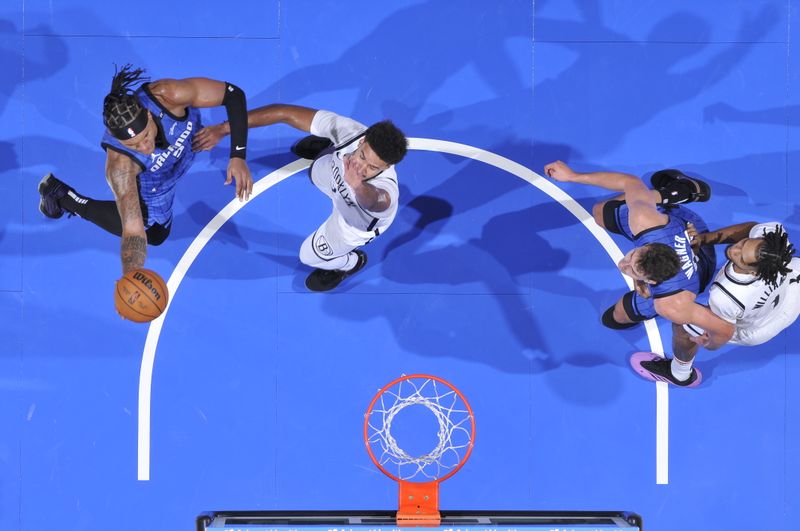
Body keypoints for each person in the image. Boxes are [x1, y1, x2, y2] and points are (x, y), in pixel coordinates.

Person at [37, 64, 253, 274]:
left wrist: (238, 155)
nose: (145, 148)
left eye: (146, 136)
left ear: (149, 116)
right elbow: (133, 230)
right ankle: (64, 197)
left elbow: (233, 94)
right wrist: (131, 275)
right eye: (134, 145)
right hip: (155, 183)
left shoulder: (168, 95)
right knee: (157, 235)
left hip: (181, 154)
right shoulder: (119, 167)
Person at [543, 161, 735, 387]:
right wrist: (573, 176)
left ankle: (672, 194)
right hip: (687, 227)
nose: (623, 262)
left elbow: (725, 328)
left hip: (700, 262)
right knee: (600, 213)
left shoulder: (671, 304)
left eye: (632, 269)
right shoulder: (645, 221)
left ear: (652, 281)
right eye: (632, 256)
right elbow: (630, 181)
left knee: (615, 319)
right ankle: (679, 192)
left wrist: (710, 344)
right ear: (648, 246)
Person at [193, 104, 408, 292]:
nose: (362, 168)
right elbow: (283, 112)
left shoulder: (385, 191)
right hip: (334, 179)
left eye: (372, 168)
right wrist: (224, 128)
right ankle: (327, 145)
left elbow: (376, 201)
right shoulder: (351, 132)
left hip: (351, 223)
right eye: (362, 157)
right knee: (315, 172)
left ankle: (350, 263)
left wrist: (357, 185)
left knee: (308, 256)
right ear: (362, 141)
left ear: (387, 167)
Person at [667, 221, 798, 374]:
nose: (734, 249)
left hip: (756, 328)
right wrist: (703, 239)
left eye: (741, 258)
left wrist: (709, 343)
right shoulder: (775, 243)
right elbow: (752, 228)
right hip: (794, 289)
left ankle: (680, 373)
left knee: (682, 325)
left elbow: (724, 331)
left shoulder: (726, 296)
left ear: (753, 273)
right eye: (744, 243)